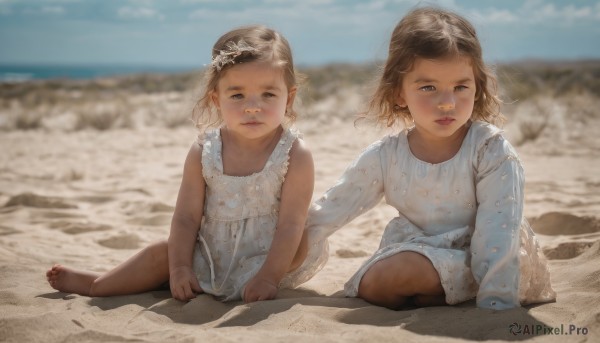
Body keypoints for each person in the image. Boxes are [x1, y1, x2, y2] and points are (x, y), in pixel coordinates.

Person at [46, 25, 328, 303]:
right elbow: (185, 218)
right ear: (217, 99)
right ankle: (97, 284)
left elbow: (291, 224)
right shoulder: (204, 151)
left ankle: (245, 276)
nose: (252, 106)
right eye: (237, 95)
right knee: (160, 253)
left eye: (268, 94)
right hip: (210, 252)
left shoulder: (295, 153)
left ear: (288, 98)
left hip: (269, 258)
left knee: (299, 240)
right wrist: (180, 268)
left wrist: (268, 278)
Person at [304, 7, 556, 310]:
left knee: (400, 272)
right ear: (399, 93)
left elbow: (499, 232)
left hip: (483, 256)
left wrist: (496, 304)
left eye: (460, 87)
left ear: (477, 88)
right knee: (373, 284)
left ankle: (460, 293)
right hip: (416, 252)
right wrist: (276, 262)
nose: (447, 103)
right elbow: (330, 210)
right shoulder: (387, 155)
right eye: (428, 88)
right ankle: (442, 295)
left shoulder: (490, 150)